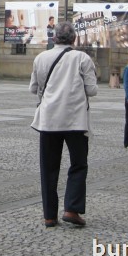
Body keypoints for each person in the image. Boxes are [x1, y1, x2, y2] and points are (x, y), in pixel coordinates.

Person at [29, 21, 98, 228]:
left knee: (48, 168)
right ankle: (71, 209)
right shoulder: (82, 58)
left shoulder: (41, 57)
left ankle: (49, 215)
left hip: (49, 119)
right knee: (78, 164)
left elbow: (33, 88)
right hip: (75, 119)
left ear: (54, 37)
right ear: (74, 39)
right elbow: (92, 90)